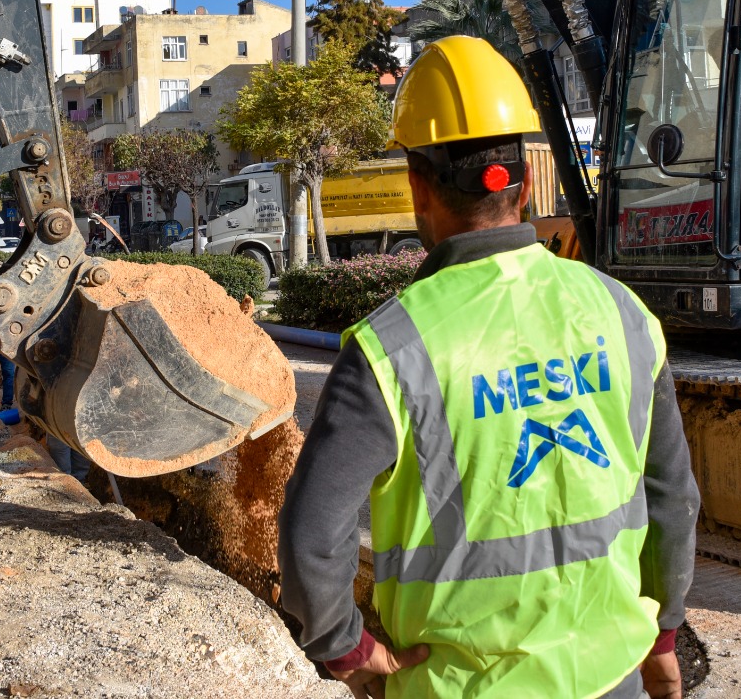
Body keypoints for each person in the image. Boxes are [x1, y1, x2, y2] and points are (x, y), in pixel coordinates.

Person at [279, 36, 700, 699]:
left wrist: (345, 649)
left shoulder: (392, 348)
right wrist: (665, 634)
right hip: (609, 673)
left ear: (419, 186)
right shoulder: (624, 314)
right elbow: (673, 499)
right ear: (525, 183)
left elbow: (310, 534)